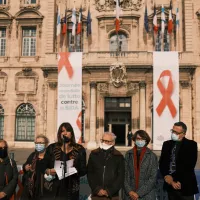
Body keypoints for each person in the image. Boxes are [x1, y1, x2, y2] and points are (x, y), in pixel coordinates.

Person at [46, 122, 87, 200]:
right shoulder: (51, 148)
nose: (65, 133)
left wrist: (71, 170)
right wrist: (48, 170)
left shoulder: (80, 149)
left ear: (71, 133)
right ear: (59, 134)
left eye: (67, 131)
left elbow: (83, 170)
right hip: (54, 187)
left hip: (72, 188)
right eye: (62, 131)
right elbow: (45, 165)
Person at [159, 121, 199, 200]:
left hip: (185, 186)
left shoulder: (192, 145)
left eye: (176, 132)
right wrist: (167, 177)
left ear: (183, 134)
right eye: (172, 131)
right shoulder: (166, 144)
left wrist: (176, 181)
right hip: (170, 187)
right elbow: (162, 163)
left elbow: (189, 166)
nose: (173, 134)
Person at [87, 132, 125, 200]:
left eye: (107, 141)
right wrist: (97, 189)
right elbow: (90, 173)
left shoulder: (118, 156)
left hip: (112, 196)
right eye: (103, 140)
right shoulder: (94, 154)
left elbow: (120, 177)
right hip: (96, 195)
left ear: (113, 142)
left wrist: (109, 191)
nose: (104, 143)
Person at [124, 130, 158, 200]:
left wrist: (138, 193)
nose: (140, 141)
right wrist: (130, 191)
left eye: (142, 139)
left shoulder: (152, 156)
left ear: (146, 141)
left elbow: (152, 178)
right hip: (130, 195)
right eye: (138, 139)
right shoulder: (128, 154)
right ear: (134, 140)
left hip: (147, 195)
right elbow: (124, 174)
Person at [21, 134, 53, 200]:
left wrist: (50, 173)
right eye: (36, 143)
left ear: (46, 144)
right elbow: (25, 165)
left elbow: (54, 171)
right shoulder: (33, 155)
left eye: (40, 143)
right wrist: (25, 167)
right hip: (30, 191)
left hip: (44, 190)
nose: (38, 145)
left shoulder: (50, 157)